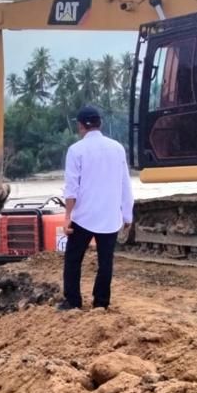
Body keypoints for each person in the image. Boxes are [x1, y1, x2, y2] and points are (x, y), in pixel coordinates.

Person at [60, 104, 133, 311]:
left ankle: (73, 302)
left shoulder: (76, 150)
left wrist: (67, 217)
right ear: (100, 123)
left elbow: (71, 188)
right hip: (110, 217)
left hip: (84, 216)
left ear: (80, 126)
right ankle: (101, 302)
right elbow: (124, 184)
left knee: (73, 260)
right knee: (105, 263)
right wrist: (127, 215)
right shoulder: (117, 148)